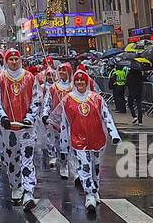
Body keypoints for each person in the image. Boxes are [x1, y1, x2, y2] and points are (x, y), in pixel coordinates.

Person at [46, 68, 120, 215]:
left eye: (83, 80)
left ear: (87, 82)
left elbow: (107, 116)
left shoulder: (97, 99)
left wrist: (114, 134)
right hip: (78, 140)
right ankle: (89, 195)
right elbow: (63, 122)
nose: (80, 82)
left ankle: (95, 189)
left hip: (97, 138)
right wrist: (64, 144)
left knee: (96, 168)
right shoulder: (68, 99)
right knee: (84, 167)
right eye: (77, 80)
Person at [0, 49, 40, 210]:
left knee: (27, 159)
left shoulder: (29, 77)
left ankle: (28, 192)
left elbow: (36, 99)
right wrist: (3, 118)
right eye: (11, 59)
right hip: (8, 128)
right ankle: (16, 186)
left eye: (16, 58)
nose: (14, 61)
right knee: (12, 159)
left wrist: (30, 117)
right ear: (6, 61)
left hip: (26, 127)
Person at [125, 60, 145, 125]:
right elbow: (142, 81)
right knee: (139, 105)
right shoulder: (139, 74)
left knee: (130, 104)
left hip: (131, 92)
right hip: (139, 91)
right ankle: (140, 121)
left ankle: (134, 116)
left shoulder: (129, 74)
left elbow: (127, 83)